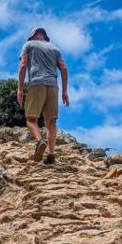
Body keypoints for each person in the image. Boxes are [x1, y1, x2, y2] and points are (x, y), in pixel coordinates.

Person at [16, 26, 70, 165]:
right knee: (51, 122)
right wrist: (64, 91)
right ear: (45, 37)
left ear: (33, 36)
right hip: (53, 86)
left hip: (37, 83)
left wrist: (20, 89)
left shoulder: (28, 45)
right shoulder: (54, 48)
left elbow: (23, 66)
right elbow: (63, 68)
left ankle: (40, 141)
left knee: (31, 119)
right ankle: (51, 155)